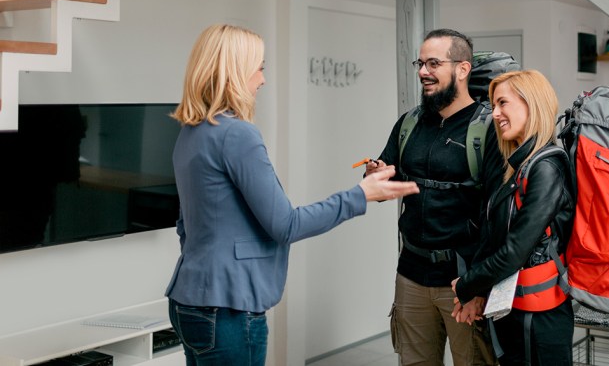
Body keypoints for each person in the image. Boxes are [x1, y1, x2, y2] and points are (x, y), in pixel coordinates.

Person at [165, 24, 418, 365]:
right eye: (259, 68)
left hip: (189, 300)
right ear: (235, 72)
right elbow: (286, 224)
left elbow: (186, 223)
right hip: (229, 309)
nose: (262, 79)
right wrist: (361, 194)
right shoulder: (238, 135)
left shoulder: (191, 132)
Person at [365, 29, 502, 366]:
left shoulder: (488, 130)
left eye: (433, 63)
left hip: (463, 281)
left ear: (462, 69)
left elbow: (499, 218)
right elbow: (385, 186)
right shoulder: (409, 123)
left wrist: (480, 286)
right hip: (410, 273)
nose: (423, 72)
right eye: (420, 63)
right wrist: (375, 178)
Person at [451, 70, 575, 366]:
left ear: (531, 104)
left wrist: (466, 285)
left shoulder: (547, 168)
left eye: (502, 103)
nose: (495, 114)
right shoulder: (518, 167)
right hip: (515, 312)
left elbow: (514, 251)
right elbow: (494, 236)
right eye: (494, 105)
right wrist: (475, 293)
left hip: (541, 320)